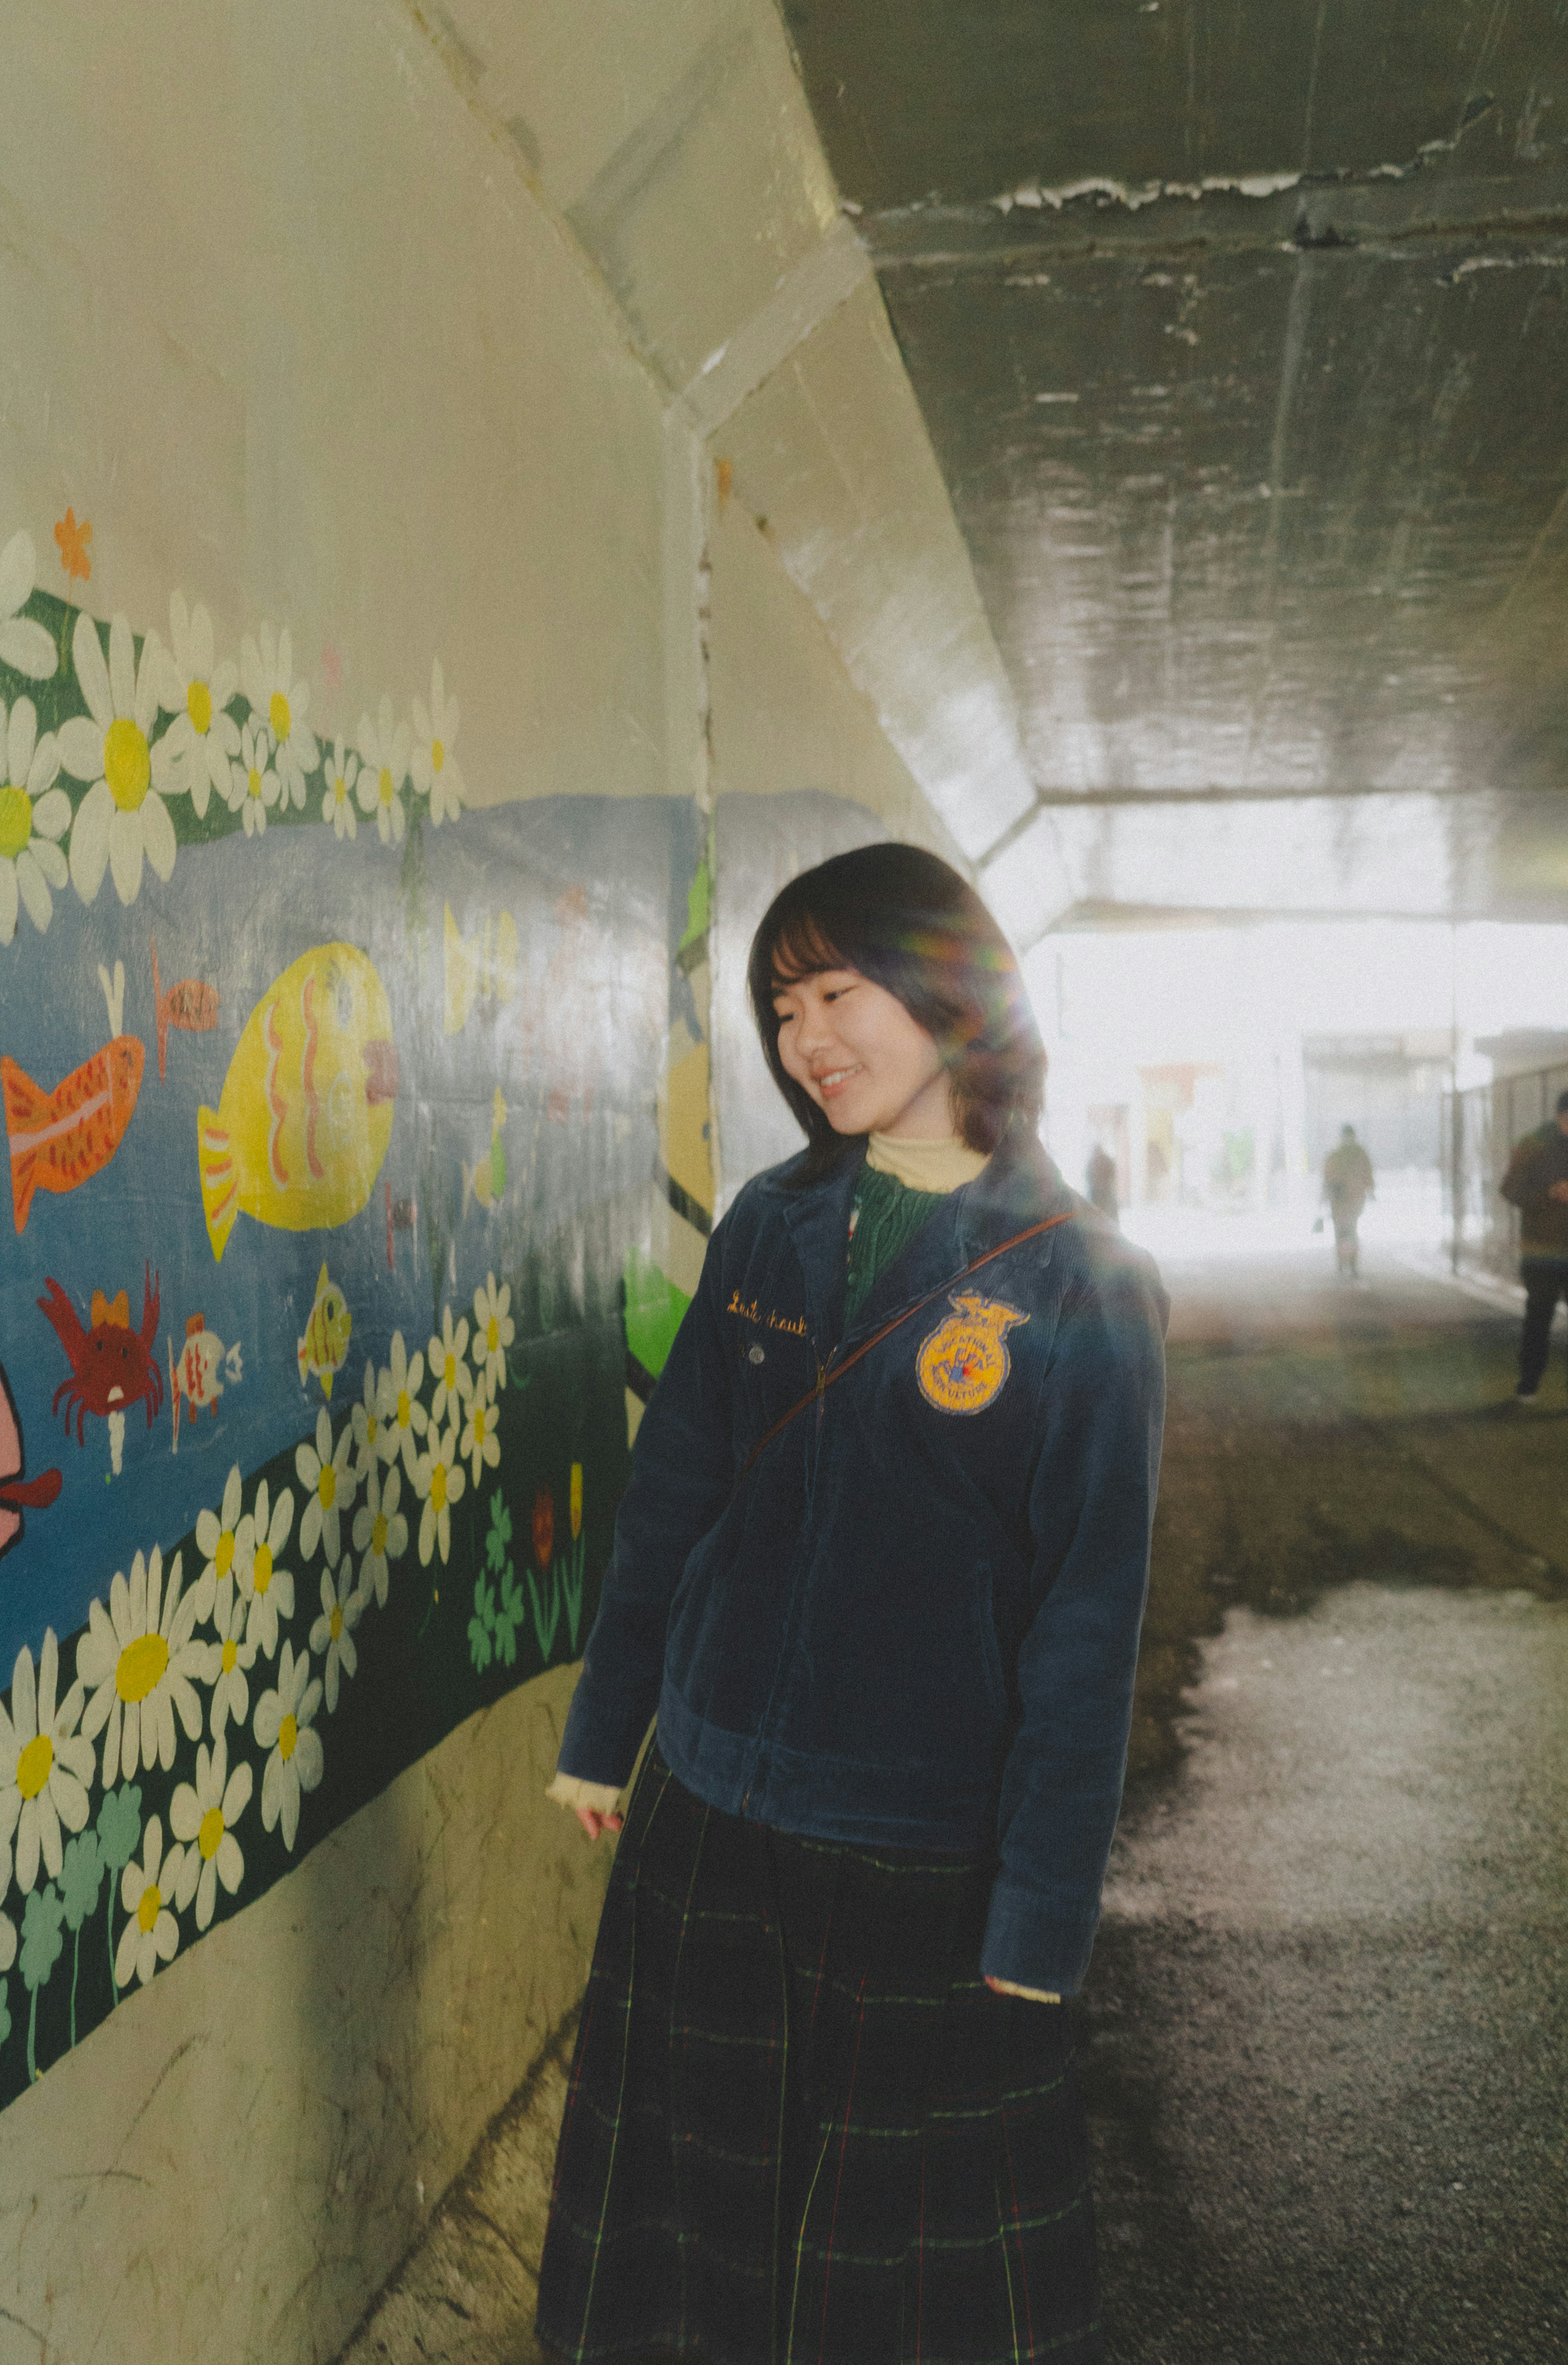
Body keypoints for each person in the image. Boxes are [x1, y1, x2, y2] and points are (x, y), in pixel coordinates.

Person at [534, 842, 1168, 2365]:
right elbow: (675, 1495)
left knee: (894, 2291)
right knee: (698, 2256)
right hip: (714, 1808)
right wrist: (606, 1729)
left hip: (922, 1861)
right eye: (780, 1003)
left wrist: (1041, 1906)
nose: (806, 1037)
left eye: (836, 990)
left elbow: (1088, 1619)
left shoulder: (1082, 1283)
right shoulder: (768, 1219)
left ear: (949, 984)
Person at [1500, 1086, 1568, 1405]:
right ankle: (1528, 1384)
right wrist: (1548, 1194)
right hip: (1541, 1249)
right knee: (1538, 1319)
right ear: (1559, 1116)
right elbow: (1510, 1189)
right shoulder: (1534, 1145)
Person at [1321, 1124, 1375, 1279]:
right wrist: (1371, 1191)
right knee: (1352, 1230)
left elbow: (1328, 1176)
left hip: (1338, 1199)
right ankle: (1352, 1264)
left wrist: (1325, 1194)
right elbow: (1368, 1174)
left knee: (1340, 1232)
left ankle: (1342, 1262)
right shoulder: (1360, 1154)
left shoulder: (1336, 1155)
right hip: (1356, 1199)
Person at [1085, 1140, 1119, 1221]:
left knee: (1101, 1212)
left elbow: (1088, 1176)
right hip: (1102, 1190)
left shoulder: (1093, 1162)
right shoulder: (1104, 1161)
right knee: (1106, 1212)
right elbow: (1113, 1175)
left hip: (1101, 1190)